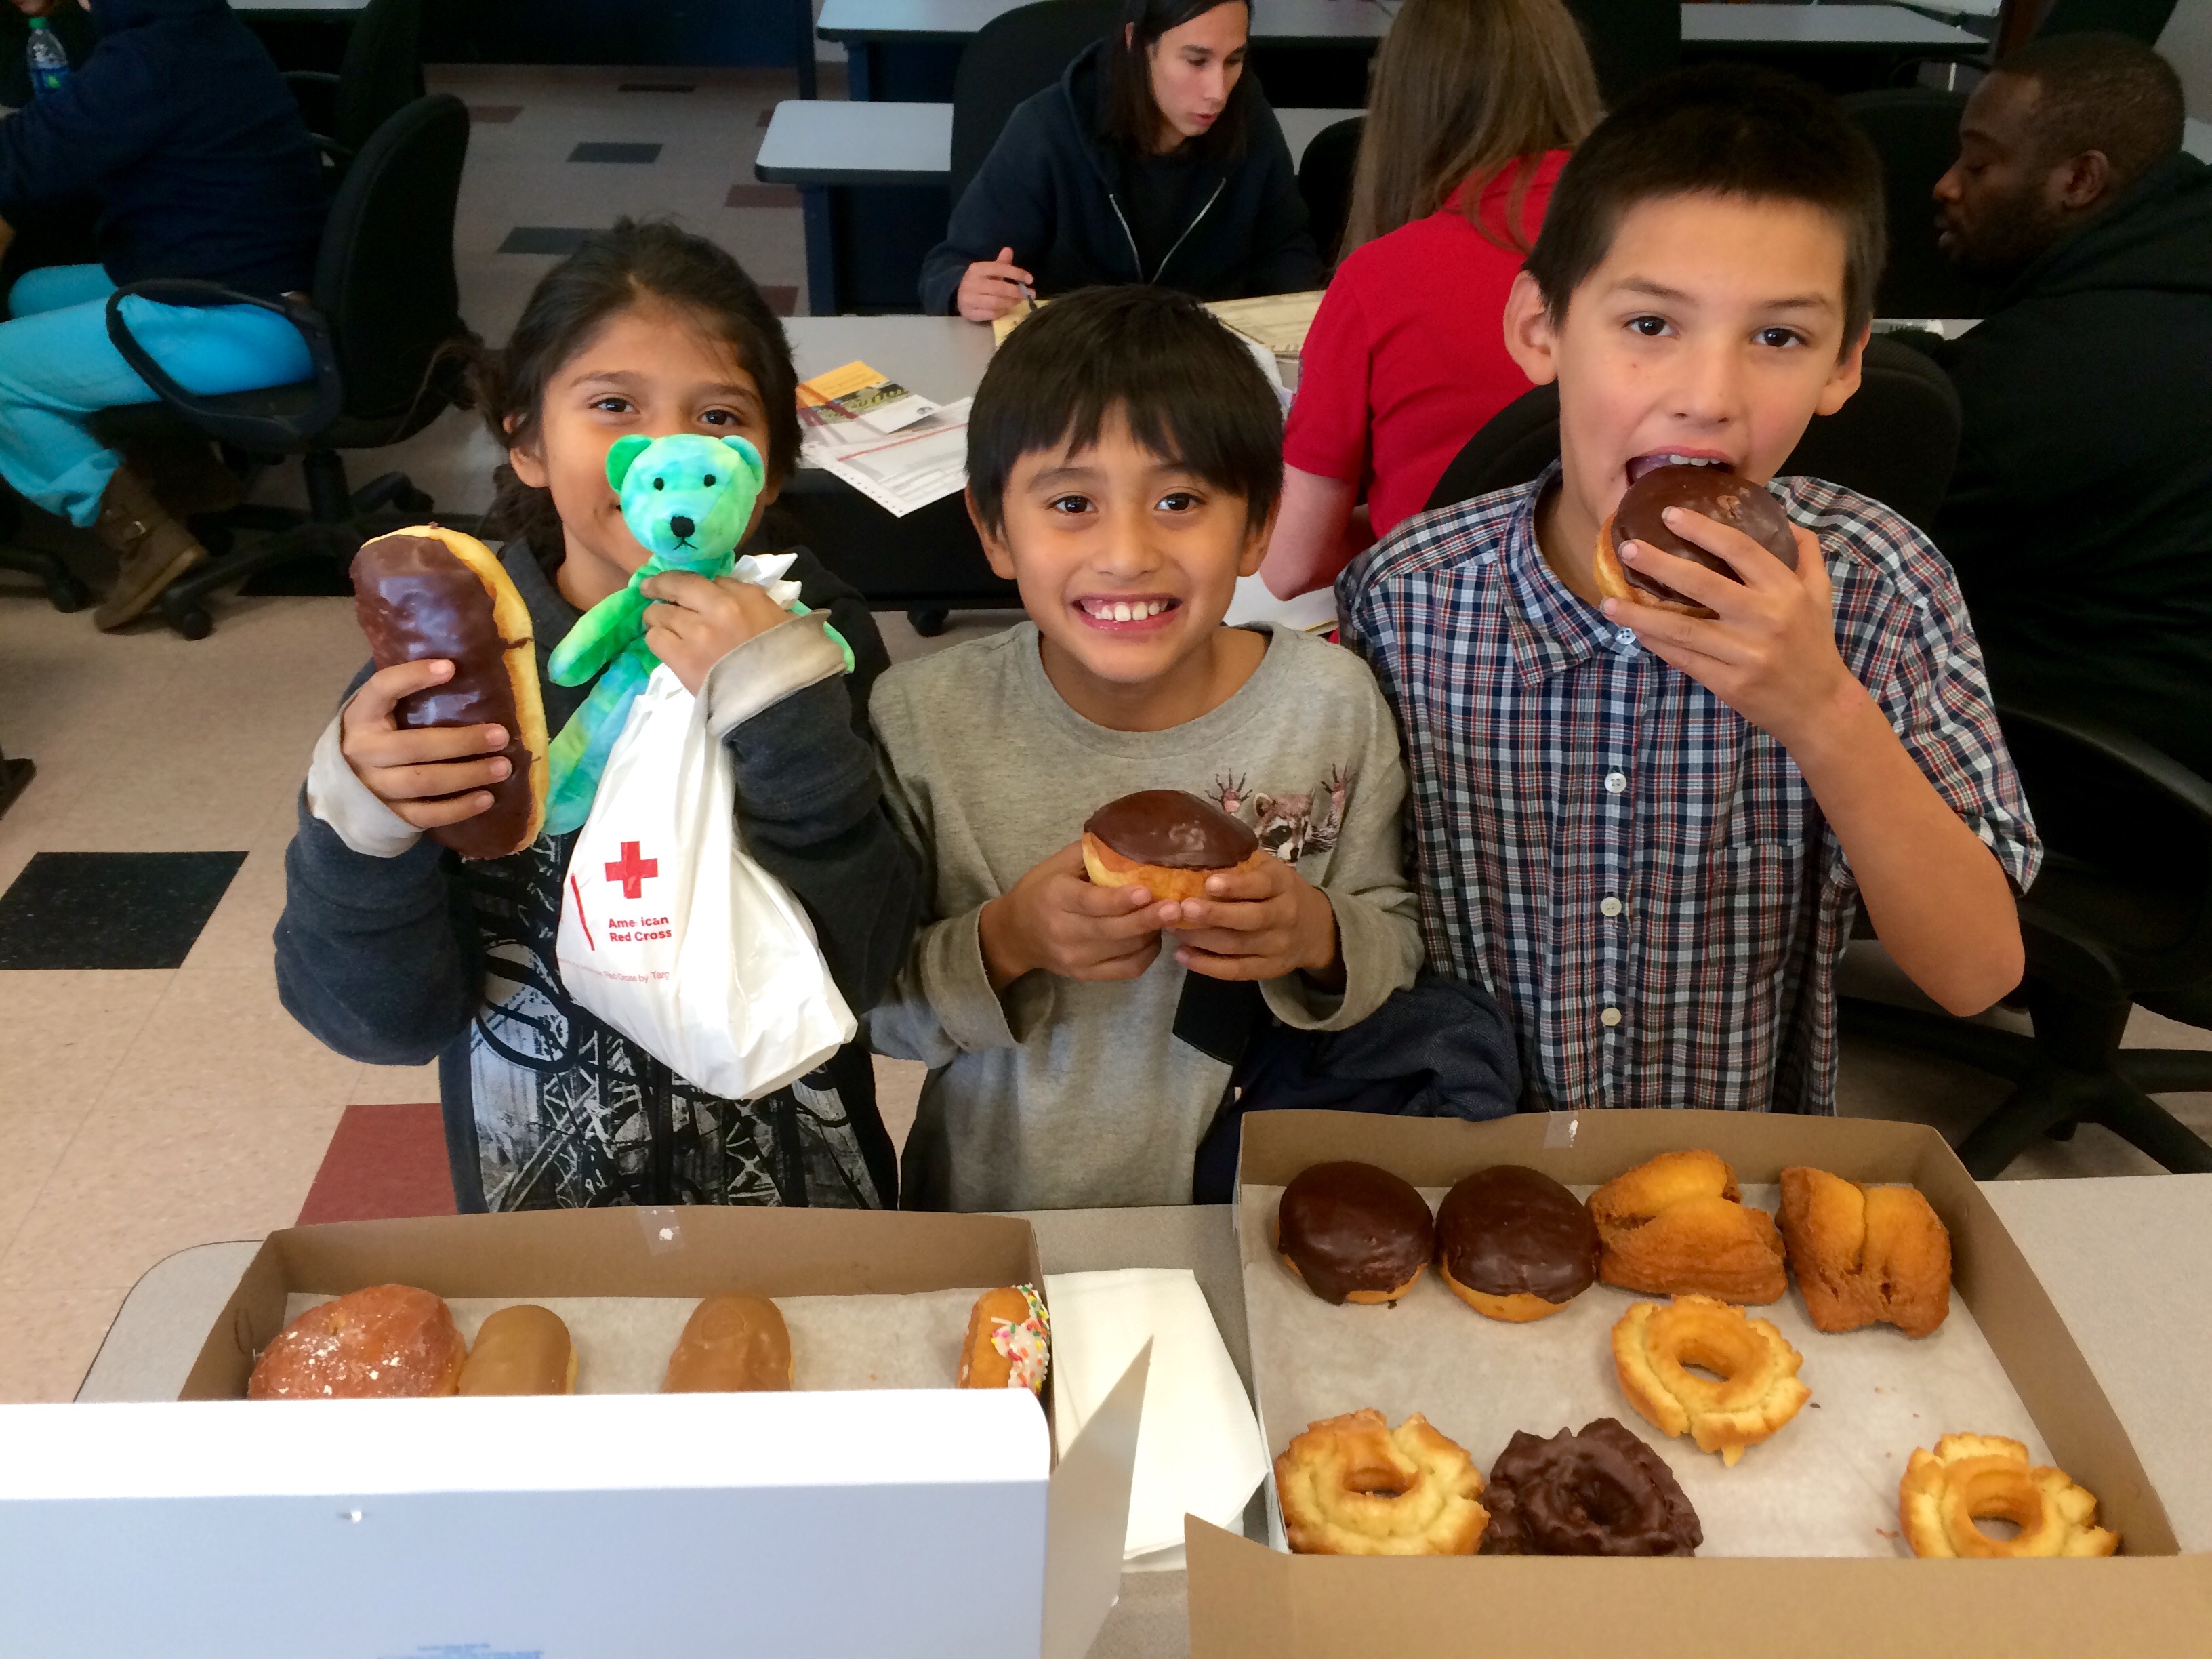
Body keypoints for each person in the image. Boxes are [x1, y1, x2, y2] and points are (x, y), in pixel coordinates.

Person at [1339, 66, 2039, 1115]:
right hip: (1466, 1159)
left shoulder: (1880, 583)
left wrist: (1821, 708)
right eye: (1651, 325)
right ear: (1541, 329)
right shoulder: (1407, 601)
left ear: (1846, 364)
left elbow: (1977, 971)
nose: (1709, 398)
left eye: (1778, 338)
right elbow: (1353, 920)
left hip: (1731, 1173)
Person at [275, 220, 921, 1213]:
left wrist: (782, 720)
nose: (663, 451)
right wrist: (358, 825)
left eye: (716, 418)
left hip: (802, 1193)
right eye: (614, 405)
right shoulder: (443, 675)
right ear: (526, 440)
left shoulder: (815, 644)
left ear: (770, 471)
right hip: (541, 1201)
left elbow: (869, 969)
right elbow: (383, 1025)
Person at [869, 286, 1422, 1210]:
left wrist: (1314, 933)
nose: (1127, 553)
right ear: (995, 528)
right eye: (1072, 502)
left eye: (1178, 500)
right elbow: (875, 1013)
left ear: (1256, 526)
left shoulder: (1330, 703)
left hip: (1255, 1220)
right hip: (1000, 1215)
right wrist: (1007, 938)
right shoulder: (925, 719)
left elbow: (1394, 940)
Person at [1921, 32, 2212, 777]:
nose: (1947, 185)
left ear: (2079, 181)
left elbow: (1881, 564)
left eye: (1980, 163)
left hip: (2108, 762)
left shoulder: (2038, 383)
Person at [0, 0, 327, 629]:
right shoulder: (198, 28)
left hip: (239, 320)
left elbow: (27, 161)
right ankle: (186, 470)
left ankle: (142, 537)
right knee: (32, 292)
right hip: (261, 290)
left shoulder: (150, 60)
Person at [1261, 0, 1600, 598]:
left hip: (1442, 648)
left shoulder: (1381, 277)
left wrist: (1411, 530)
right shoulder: (1669, 242)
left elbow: (1289, 565)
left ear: (1404, 104)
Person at [917, 0, 1321, 322]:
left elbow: (1288, 249)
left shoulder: (1249, 121)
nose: (1218, 91)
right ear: (1137, 42)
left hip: (1203, 372)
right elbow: (950, 267)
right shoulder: (1047, 129)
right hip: (1072, 371)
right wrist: (963, 289)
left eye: (1234, 61)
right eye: (1196, 61)